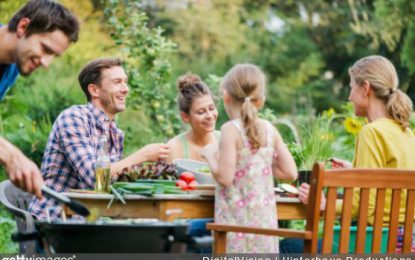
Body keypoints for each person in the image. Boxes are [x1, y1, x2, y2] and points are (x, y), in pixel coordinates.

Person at [282, 55, 415, 253]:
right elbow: (390, 185)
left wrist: (324, 203)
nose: (349, 96)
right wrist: (355, 171)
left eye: (352, 87)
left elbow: (366, 209)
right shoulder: (406, 131)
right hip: (407, 243)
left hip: (376, 245)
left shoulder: (372, 132)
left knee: (287, 246)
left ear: (366, 88)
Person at [28, 58, 170, 220]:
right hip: (54, 220)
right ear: (94, 90)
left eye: (125, 82)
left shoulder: (113, 131)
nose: (125, 89)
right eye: (117, 82)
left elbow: (108, 185)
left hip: (88, 222)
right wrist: (143, 156)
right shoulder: (74, 118)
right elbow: (95, 178)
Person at [200, 64, 298, 253]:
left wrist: (210, 155)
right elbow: (290, 172)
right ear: (260, 101)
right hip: (265, 228)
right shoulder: (269, 128)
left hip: (235, 228)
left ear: (226, 97)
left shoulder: (230, 129)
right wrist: (261, 166)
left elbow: (225, 178)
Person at [0, 0, 79, 199]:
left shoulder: (12, 68)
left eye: (54, 56)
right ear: (23, 26)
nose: (46, 62)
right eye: (45, 48)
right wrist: (11, 154)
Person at [166, 72, 219, 163]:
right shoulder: (173, 149)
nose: (210, 116)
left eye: (211, 108)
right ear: (185, 117)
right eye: (201, 112)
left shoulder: (226, 141)